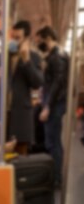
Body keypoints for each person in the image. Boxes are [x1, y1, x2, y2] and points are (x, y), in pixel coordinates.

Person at [0, 20, 44, 152]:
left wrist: (26, 60)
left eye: (18, 38)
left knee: (20, 159)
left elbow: (37, 83)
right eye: (12, 37)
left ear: (26, 39)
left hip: (21, 120)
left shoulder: (34, 58)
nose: (13, 41)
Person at [35, 26, 69, 187]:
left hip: (55, 105)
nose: (38, 43)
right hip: (54, 103)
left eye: (39, 39)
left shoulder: (58, 57)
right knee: (53, 140)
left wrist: (47, 106)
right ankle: (55, 176)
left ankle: (56, 178)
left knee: (53, 141)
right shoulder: (53, 57)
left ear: (48, 38)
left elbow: (57, 84)